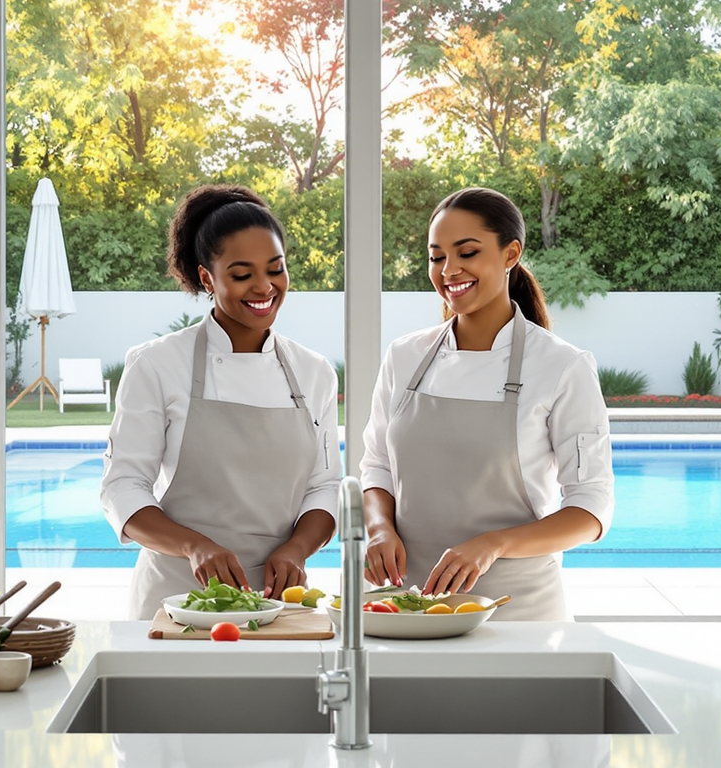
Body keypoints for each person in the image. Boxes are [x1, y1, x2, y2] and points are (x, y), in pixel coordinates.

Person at [358, 187, 612, 622]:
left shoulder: (562, 366)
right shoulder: (404, 356)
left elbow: (591, 508)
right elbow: (376, 465)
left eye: (467, 253)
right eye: (436, 257)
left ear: (510, 253)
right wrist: (380, 529)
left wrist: (493, 544)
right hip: (402, 605)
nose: (448, 270)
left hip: (516, 612)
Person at [103, 185, 343, 620]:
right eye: (242, 274)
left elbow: (323, 487)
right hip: (177, 598)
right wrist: (195, 546)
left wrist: (296, 549)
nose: (264, 287)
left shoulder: (314, 372)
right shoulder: (156, 364)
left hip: (278, 602)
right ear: (207, 278)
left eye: (276, 269)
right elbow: (122, 486)